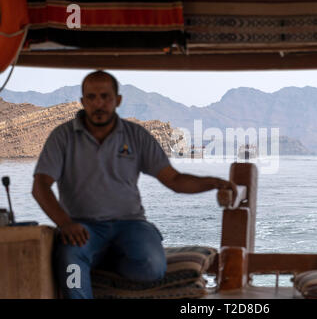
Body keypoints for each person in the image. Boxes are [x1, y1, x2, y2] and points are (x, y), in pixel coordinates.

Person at [32, 70, 237, 299]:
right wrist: (65, 223)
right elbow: (40, 185)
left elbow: (174, 180)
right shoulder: (63, 137)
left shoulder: (136, 135)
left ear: (117, 100)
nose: (98, 104)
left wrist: (215, 182)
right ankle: (93, 261)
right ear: (82, 102)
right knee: (71, 264)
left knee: (151, 267)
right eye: (91, 97)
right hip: (83, 228)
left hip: (130, 225)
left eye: (105, 96)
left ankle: (108, 257)